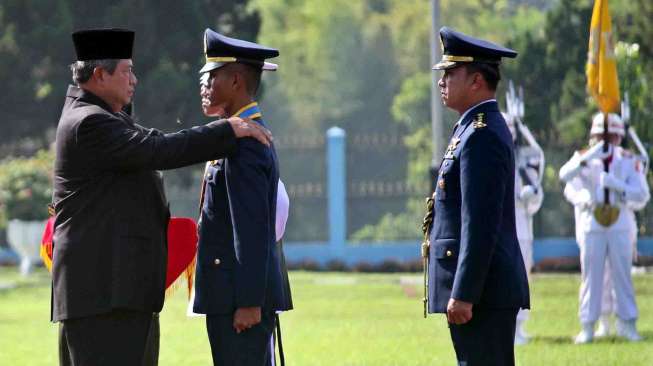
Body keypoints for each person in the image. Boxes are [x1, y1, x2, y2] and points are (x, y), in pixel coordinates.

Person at [52, 28, 272, 366]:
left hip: (118, 292)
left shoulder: (107, 117)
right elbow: (157, 149)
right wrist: (225, 130)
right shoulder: (89, 122)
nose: (134, 80)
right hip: (103, 295)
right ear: (99, 74)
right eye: (127, 71)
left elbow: (154, 141)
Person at [423, 27, 530, 366]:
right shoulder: (470, 128)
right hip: (482, 291)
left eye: (451, 73)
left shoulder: (481, 134)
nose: (442, 81)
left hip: (483, 294)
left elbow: (479, 223)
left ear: (476, 81)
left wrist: (465, 292)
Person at [191, 28, 291, 366]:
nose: (203, 85)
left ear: (235, 81)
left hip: (238, 301)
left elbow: (251, 228)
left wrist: (249, 301)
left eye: (211, 76)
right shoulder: (234, 134)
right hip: (232, 296)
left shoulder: (244, 142)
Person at [559, 112, 649, 343]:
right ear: (593, 135)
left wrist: (617, 185)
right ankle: (588, 325)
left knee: (622, 276)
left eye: (611, 137)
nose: (606, 141)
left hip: (620, 223)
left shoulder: (629, 160)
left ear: (619, 137)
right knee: (591, 277)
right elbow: (565, 177)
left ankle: (627, 324)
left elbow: (642, 194)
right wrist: (590, 158)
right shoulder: (583, 158)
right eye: (601, 135)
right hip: (592, 223)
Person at [502, 111, 544, 345]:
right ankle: (503, 329)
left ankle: (518, 328)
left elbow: (536, 198)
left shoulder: (524, 162)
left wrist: (531, 196)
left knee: (521, 279)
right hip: (499, 230)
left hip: (522, 229)